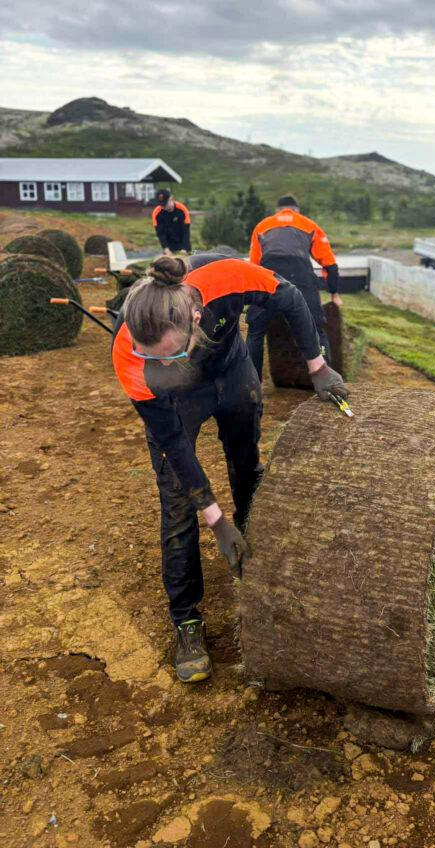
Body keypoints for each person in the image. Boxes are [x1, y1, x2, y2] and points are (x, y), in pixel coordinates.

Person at [111, 253, 348, 683]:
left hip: (232, 370)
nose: (163, 365)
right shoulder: (129, 355)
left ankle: (256, 556)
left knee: (246, 465)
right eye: (154, 359)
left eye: (172, 354)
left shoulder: (227, 277)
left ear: (197, 318)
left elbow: (291, 297)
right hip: (180, 400)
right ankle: (186, 619)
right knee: (178, 505)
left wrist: (318, 366)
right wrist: (215, 522)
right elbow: (174, 446)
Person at [246, 194, 341, 379]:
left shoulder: (262, 225)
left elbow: (254, 264)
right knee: (316, 328)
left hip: (268, 275)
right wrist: (334, 293)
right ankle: (328, 381)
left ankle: (251, 384)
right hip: (301, 276)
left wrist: (253, 297)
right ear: (297, 210)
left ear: (277, 211)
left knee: (255, 332)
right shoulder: (308, 224)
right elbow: (329, 263)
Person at [152, 189, 192, 255]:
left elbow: (186, 232)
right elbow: (160, 234)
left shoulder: (182, 209)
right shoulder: (156, 213)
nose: (163, 207)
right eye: (161, 205)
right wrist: (166, 248)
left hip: (183, 243)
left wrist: (184, 248)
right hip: (169, 245)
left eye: (165, 204)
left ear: (171, 199)